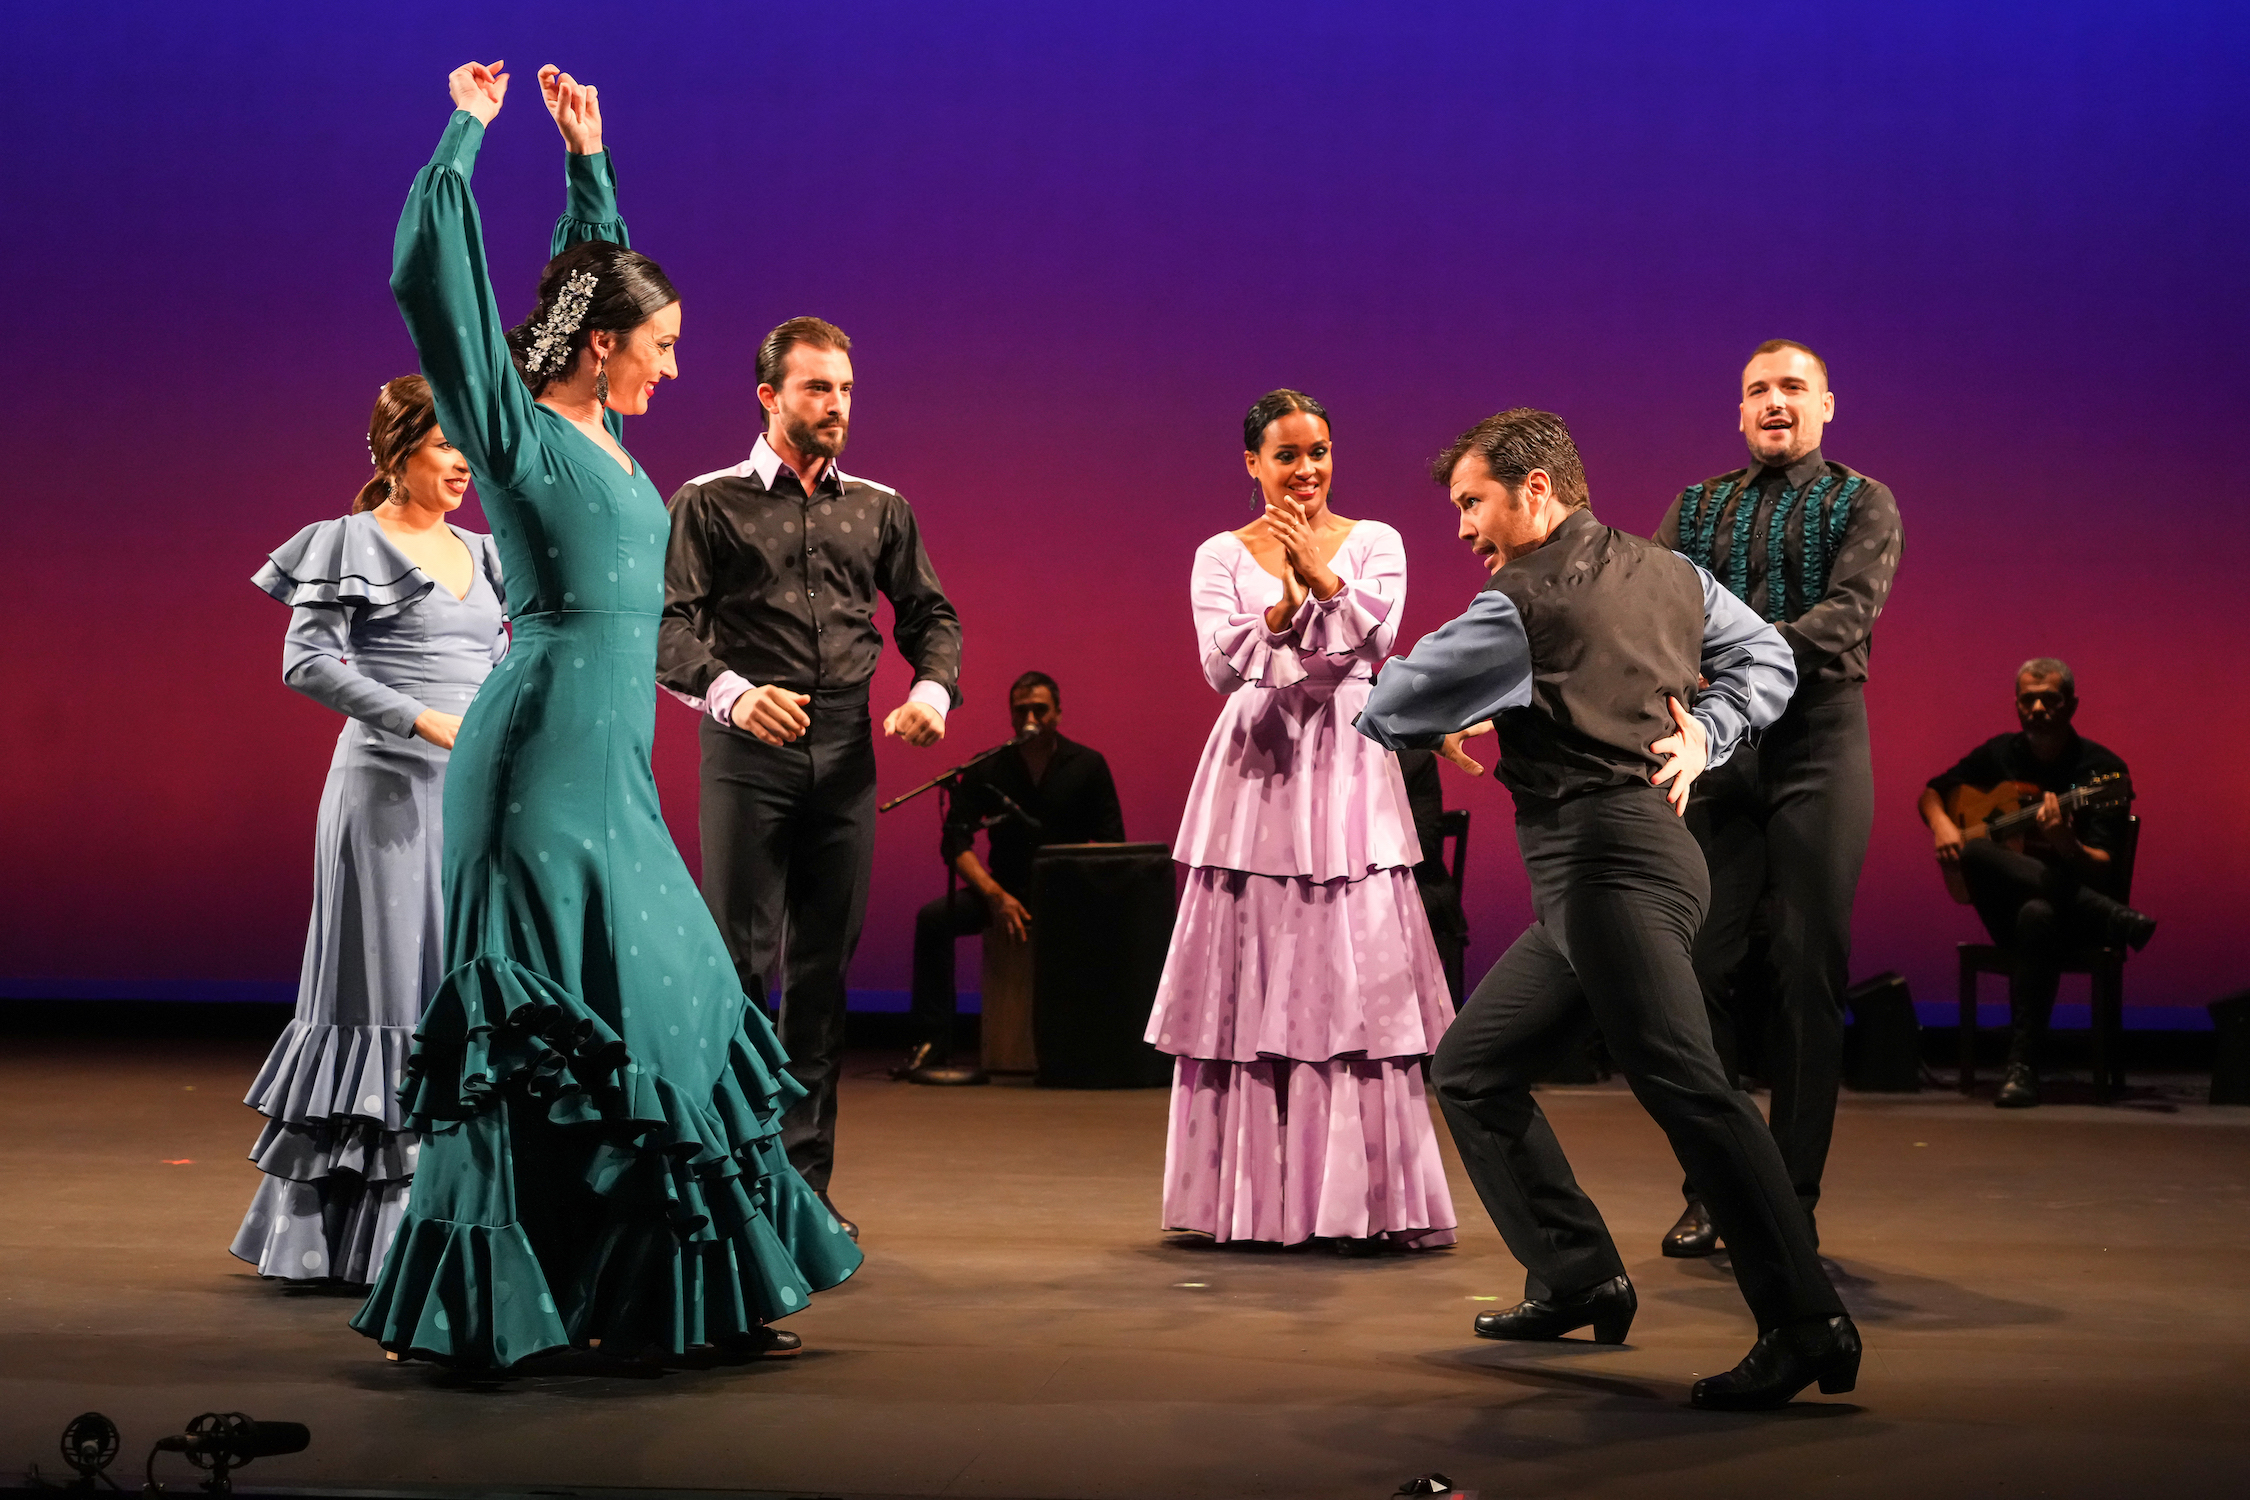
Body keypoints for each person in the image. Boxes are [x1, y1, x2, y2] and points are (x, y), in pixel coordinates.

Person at [351, 61, 860, 1371]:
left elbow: (597, 278)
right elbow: (433, 281)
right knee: (539, 1031)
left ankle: (664, 1295)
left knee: (676, 997)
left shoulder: (604, 426)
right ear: (596, 352)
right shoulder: (515, 434)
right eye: (662, 346)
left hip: (609, 770)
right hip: (533, 766)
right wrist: (468, 130)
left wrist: (590, 164)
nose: (674, 363)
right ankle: (501, 1306)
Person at [1358, 407, 1859, 1410]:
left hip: (1602, 863)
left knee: (1690, 1088)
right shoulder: (1676, 576)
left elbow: (1391, 705)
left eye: (1472, 503)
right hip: (1637, 864)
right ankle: (1579, 1272)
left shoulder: (1515, 607)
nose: (1463, 528)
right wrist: (1708, 733)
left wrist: (1466, 686)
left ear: (1534, 491)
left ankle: (1808, 1323)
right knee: (1473, 1068)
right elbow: (1770, 661)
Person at [658, 316, 962, 1236]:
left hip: (845, 754)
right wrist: (734, 696)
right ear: (770, 396)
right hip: (749, 750)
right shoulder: (707, 502)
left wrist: (934, 693)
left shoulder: (879, 506)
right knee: (742, 971)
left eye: (845, 391)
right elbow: (669, 627)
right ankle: (737, 1182)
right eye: (817, 390)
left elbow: (929, 614)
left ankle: (804, 1191)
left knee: (822, 981)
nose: (836, 407)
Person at [1143, 389, 1457, 1253]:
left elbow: (1375, 641)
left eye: (1318, 450)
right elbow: (1220, 664)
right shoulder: (1220, 553)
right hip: (1259, 770)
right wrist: (1280, 608)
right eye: (1286, 455)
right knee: (1255, 973)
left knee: (1353, 975)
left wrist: (1319, 579)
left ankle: (1362, 1201)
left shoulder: (1377, 542)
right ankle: (1245, 1201)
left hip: (1349, 771)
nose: (1307, 469)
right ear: (1252, 464)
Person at [233, 376, 507, 1286]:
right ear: (397, 454)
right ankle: (357, 1232)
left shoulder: (485, 550)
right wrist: (422, 720)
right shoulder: (350, 541)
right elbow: (306, 663)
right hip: (385, 792)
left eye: (468, 447)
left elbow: (506, 662)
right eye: (443, 447)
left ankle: (458, 1209)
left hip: (476, 795)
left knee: (455, 985)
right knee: (387, 990)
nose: (462, 464)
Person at [1649, 339, 1905, 1258]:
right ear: (1740, 409)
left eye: (1793, 388)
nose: (1775, 402)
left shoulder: (1860, 500)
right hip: (1717, 751)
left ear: (1826, 405)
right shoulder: (1698, 505)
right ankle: (1718, 1187)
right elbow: (1652, 606)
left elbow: (1847, 615)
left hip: (1816, 745)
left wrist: (1742, 665)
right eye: (1758, 390)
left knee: (1804, 971)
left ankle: (1788, 1199)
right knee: (1696, 969)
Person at [1920, 658, 2154, 1106]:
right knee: (1973, 850)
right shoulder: (2000, 754)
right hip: (2007, 912)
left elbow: (2103, 867)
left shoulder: (2100, 773)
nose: (2039, 707)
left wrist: (2065, 842)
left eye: (2051, 698)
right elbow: (1933, 791)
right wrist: (1942, 826)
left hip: (2069, 923)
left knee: (2036, 914)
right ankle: (2116, 918)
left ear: (2072, 705)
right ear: (2017, 704)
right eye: (2029, 699)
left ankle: (2022, 1068)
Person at [903, 671, 1126, 1081]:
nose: (1030, 718)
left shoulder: (1088, 765)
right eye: (1021, 710)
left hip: (1067, 895)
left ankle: (1095, 1046)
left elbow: (1112, 844)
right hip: (1003, 891)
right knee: (933, 920)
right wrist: (995, 896)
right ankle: (932, 1043)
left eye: (1039, 709)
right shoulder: (988, 767)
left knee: (1117, 926)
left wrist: (1073, 885)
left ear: (1057, 713)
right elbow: (955, 842)